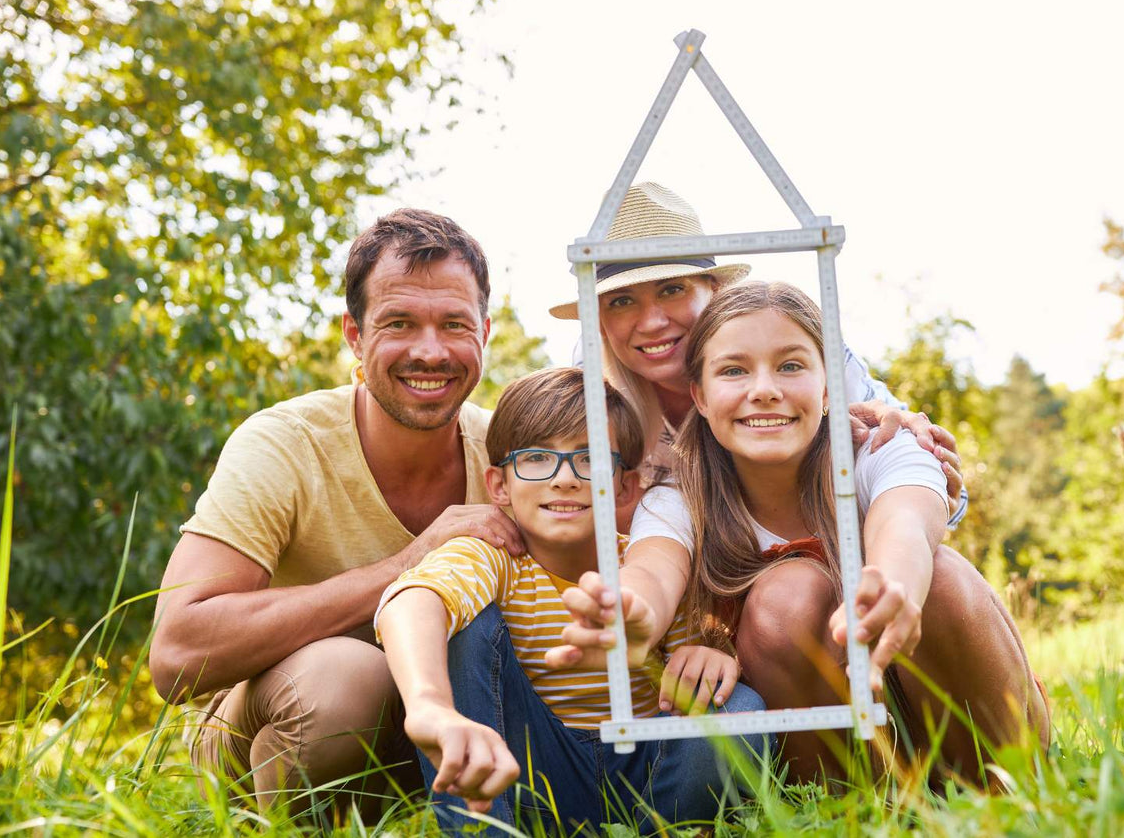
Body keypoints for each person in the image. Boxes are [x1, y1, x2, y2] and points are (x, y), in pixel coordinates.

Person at [549, 282, 1050, 788]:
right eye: (734, 370)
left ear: (830, 386)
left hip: (958, 702)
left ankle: (999, 793)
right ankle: (859, 808)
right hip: (836, 729)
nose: (764, 388)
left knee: (942, 577)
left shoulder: (881, 447)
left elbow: (905, 521)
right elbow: (655, 565)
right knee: (784, 596)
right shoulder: (680, 495)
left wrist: (894, 581)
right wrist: (635, 612)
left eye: (790, 366)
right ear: (698, 396)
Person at [149, 209, 525, 816]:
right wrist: (404, 565)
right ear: (354, 334)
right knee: (347, 679)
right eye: (399, 323)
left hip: (442, 738)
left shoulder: (513, 456)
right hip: (274, 740)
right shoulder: (283, 442)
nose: (430, 352)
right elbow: (176, 655)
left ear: (484, 331)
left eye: (453, 324)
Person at [376, 367, 767, 834]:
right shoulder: (492, 557)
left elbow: (689, 666)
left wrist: (706, 654)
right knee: (463, 627)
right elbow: (414, 598)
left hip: (648, 778)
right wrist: (428, 706)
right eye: (538, 459)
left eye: (591, 460)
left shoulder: (650, 564)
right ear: (499, 486)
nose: (564, 479)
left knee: (738, 707)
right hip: (529, 771)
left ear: (624, 485)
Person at [550, 182, 969, 514]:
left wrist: (915, 466)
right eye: (621, 301)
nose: (651, 321)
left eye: (672, 289)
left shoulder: (793, 342)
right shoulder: (591, 381)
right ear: (598, 319)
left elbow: (945, 497)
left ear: (712, 290)